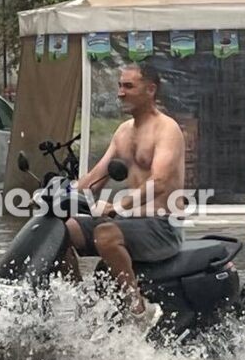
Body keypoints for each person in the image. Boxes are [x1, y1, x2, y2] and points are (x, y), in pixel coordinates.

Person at [64, 63, 186, 325]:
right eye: (120, 85)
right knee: (65, 231)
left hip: (162, 226)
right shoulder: (123, 132)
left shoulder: (167, 129)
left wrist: (118, 207)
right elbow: (95, 178)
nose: (120, 92)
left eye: (128, 86)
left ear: (150, 89)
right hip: (129, 222)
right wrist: (59, 191)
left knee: (105, 232)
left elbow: (161, 181)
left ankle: (138, 310)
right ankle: (83, 304)